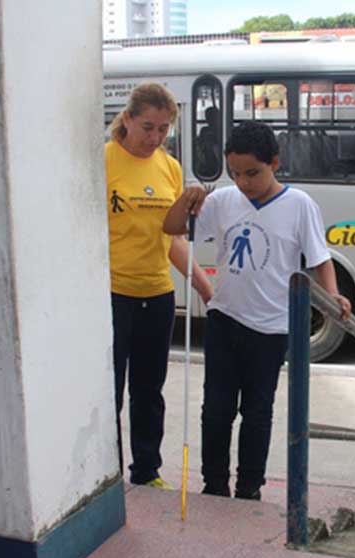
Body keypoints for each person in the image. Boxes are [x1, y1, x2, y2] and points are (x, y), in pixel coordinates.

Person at [163, 121, 351, 500]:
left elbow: (319, 258)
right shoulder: (222, 201)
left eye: (253, 172)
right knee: (215, 410)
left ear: (275, 163)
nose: (244, 181)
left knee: (257, 411)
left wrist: (333, 297)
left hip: (270, 329)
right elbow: (171, 228)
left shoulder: (299, 206)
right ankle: (214, 484)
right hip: (224, 319)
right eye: (235, 173)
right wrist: (187, 199)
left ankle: (250, 487)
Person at [106, 83, 214, 490]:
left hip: (157, 294)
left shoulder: (168, 167)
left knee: (149, 391)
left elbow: (173, 239)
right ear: (128, 119)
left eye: (163, 129)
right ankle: (106, 475)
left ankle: (147, 470)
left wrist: (205, 289)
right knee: (110, 391)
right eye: (147, 127)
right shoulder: (103, 161)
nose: (154, 138)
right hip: (113, 295)